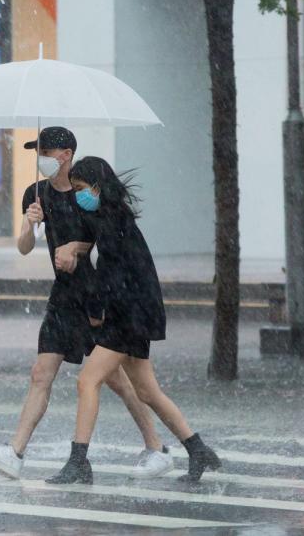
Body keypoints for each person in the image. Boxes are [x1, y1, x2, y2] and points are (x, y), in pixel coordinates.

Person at [0, 128, 172, 480]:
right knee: (40, 373)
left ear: (66, 153)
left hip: (97, 297)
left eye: (47, 151)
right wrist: (29, 225)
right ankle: (15, 452)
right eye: (39, 151)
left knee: (118, 381)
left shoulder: (86, 195)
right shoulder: (36, 194)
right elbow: (23, 247)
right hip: (63, 296)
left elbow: (106, 239)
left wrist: (76, 247)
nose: (42, 158)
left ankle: (156, 446)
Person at [46, 156, 220, 484]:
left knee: (88, 382)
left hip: (127, 316)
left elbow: (111, 276)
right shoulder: (112, 216)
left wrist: (96, 312)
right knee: (147, 392)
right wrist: (74, 245)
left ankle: (79, 461)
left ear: (97, 187)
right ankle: (198, 450)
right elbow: (102, 253)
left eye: (82, 189)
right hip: (137, 313)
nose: (79, 195)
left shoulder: (111, 223)